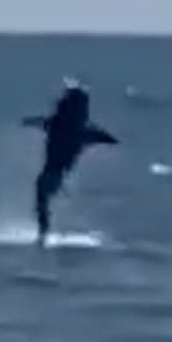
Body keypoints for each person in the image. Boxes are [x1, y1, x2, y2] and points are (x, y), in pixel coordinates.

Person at [21, 84, 119, 246]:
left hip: (54, 172)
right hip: (55, 172)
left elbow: (42, 122)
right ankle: (44, 233)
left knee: (42, 192)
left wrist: (29, 122)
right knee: (42, 193)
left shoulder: (68, 127)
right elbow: (101, 137)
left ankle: (43, 235)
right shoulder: (75, 128)